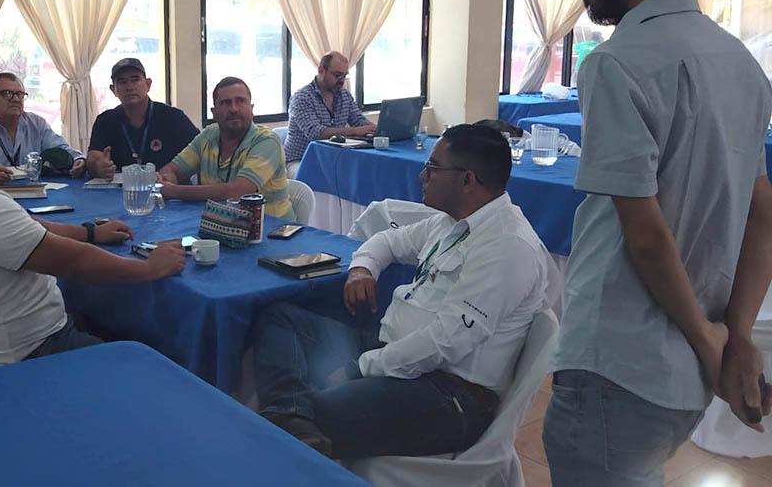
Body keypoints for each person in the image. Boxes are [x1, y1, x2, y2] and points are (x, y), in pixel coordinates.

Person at [543, 0, 772, 486]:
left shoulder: (618, 63)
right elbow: (763, 213)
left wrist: (710, 341)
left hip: (617, 362)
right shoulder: (741, 65)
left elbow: (644, 235)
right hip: (682, 379)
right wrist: (734, 336)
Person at [252, 124, 556, 458]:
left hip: (450, 392)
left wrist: (361, 366)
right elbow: (388, 240)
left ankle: (293, 427)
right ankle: (292, 422)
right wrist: (362, 268)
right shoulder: (453, 221)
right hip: (399, 353)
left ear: (467, 180)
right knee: (281, 319)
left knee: (319, 409)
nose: (422, 175)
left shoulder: (507, 246)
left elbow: (446, 343)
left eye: (433, 167)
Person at [0, 86, 187, 365]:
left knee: (112, 321)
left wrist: (89, 232)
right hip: (35, 351)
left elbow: (25, 224)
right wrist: (150, 268)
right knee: (160, 357)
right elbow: (74, 263)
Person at [157, 76, 294, 221]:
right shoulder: (208, 135)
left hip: (272, 228)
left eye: (240, 101)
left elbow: (238, 191)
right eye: (226, 103)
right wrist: (166, 179)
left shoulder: (267, 140)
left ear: (251, 108)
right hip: (219, 225)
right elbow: (172, 169)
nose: (234, 109)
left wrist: (173, 190)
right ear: (214, 112)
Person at [85, 58, 199, 180]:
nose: (129, 87)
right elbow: (93, 156)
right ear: (113, 90)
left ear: (148, 84)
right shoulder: (105, 120)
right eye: (122, 82)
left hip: (166, 188)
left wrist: (174, 174)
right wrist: (98, 166)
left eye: (135, 79)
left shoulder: (173, 117)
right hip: (119, 188)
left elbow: (200, 150)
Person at [0, 72, 85, 183]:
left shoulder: (36, 123)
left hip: (32, 188)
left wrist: (78, 159)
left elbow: (61, 149)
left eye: (20, 94)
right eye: (7, 94)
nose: (16, 99)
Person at [284, 51, 375, 170]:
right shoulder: (302, 97)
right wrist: (355, 131)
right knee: (325, 178)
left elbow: (358, 120)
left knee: (367, 171)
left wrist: (375, 129)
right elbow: (315, 133)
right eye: (337, 75)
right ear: (321, 70)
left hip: (333, 159)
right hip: (300, 160)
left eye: (344, 76)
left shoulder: (344, 95)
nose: (341, 80)